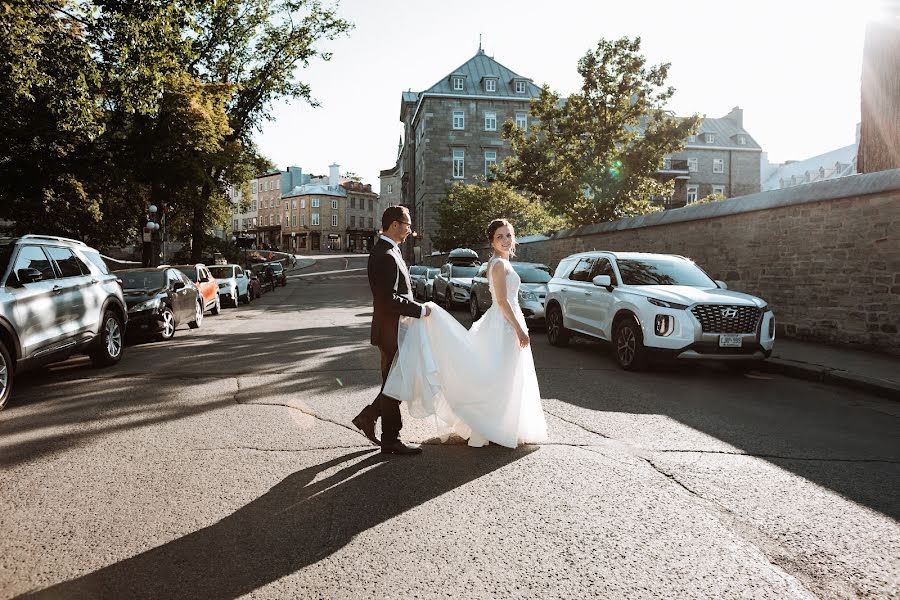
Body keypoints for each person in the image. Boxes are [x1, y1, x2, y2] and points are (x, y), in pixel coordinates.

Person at [383, 218, 548, 448]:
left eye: (508, 235)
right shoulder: (499, 264)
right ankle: (492, 425)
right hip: (504, 325)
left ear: (514, 237)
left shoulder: (500, 262)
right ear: (491, 240)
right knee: (501, 376)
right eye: (499, 236)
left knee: (503, 376)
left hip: (503, 322)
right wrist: (520, 329)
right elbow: (501, 301)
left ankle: (499, 424)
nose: (505, 240)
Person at [352, 205, 431, 455]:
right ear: (395, 225)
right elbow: (388, 299)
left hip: (396, 328)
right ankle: (390, 439)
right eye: (407, 225)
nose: (409, 230)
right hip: (391, 331)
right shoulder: (384, 254)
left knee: (395, 382)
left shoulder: (390, 250)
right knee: (394, 383)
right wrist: (419, 310)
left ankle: (372, 418)